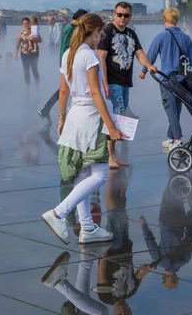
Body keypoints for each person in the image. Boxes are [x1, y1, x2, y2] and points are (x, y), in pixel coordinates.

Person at [41, 13, 127, 245]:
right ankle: (59, 213)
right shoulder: (89, 56)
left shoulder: (69, 54)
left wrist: (61, 119)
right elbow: (96, 92)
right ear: (95, 31)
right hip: (91, 117)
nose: (102, 36)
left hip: (75, 116)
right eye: (101, 32)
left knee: (83, 174)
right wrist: (111, 125)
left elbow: (62, 91)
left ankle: (87, 227)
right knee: (99, 175)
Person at [97, 1, 157, 168]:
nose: (122, 18)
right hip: (112, 80)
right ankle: (109, 156)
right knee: (117, 116)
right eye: (119, 14)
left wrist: (149, 65)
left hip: (125, 81)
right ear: (114, 14)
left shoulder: (131, 33)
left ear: (130, 17)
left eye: (126, 15)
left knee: (121, 118)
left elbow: (139, 53)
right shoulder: (107, 31)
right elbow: (101, 57)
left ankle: (113, 155)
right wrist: (105, 83)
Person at [139, 7, 192, 151]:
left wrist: (143, 71)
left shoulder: (161, 37)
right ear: (177, 19)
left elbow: (151, 56)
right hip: (182, 80)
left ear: (164, 19)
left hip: (167, 79)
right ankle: (170, 137)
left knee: (170, 109)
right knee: (177, 108)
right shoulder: (186, 38)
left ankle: (178, 139)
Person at [38, 9, 88, 123]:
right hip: (68, 62)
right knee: (65, 89)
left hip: (66, 61)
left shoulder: (70, 27)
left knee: (66, 88)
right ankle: (47, 109)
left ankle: (47, 109)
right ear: (80, 18)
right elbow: (67, 47)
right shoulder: (70, 28)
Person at [14, 17, 41, 90]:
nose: (26, 25)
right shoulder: (21, 32)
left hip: (34, 53)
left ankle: (37, 86)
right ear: (22, 24)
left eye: (27, 23)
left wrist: (34, 39)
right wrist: (16, 52)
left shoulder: (34, 30)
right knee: (26, 70)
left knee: (34, 69)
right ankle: (27, 87)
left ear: (30, 23)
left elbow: (40, 40)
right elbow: (18, 43)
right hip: (24, 54)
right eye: (24, 23)